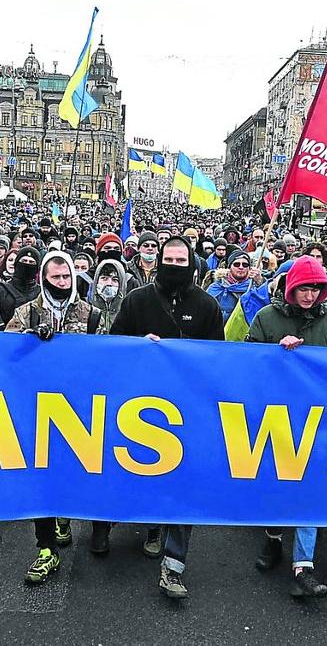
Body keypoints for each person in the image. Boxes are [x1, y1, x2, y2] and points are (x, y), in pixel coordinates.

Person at [108, 236, 223, 599]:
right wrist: (140, 347)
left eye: (181, 259)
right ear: (158, 261)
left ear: (192, 263)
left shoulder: (207, 305)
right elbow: (112, 346)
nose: (175, 264)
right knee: (136, 474)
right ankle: (145, 523)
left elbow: (218, 357)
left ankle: (173, 567)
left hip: (187, 410)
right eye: (169, 258)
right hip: (138, 410)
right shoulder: (136, 300)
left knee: (185, 484)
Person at [245, 256, 327, 599]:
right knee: (277, 483)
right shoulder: (266, 318)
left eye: (317, 288)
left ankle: (302, 565)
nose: (310, 295)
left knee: (310, 487)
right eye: (304, 288)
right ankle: (273, 539)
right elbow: (245, 364)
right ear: (291, 288)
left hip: (321, 418)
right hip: (277, 416)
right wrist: (277, 354)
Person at [5, 250, 100, 585]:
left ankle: (65, 515)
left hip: (79, 411)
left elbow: (106, 359)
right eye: (55, 277)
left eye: (66, 277)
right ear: (44, 278)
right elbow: (3, 353)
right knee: (40, 476)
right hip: (35, 409)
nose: (61, 282)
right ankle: (45, 548)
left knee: (72, 471)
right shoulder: (25, 312)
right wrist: (28, 341)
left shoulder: (92, 315)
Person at [0, 246, 41, 324]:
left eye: (31, 262)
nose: (27, 265)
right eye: (24, 261)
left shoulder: (42, 293)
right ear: (16, 264)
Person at [206, 248, 254, 322]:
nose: (241, 267)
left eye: (245, 265)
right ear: (229, 267)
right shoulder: (216, 288)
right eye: (236, 264)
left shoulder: (254, 288)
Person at [90, 258, 129, 333]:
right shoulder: (86, 310)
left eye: (115, 280)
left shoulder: (129, 312)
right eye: (104, 278)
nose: (109, 283)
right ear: (96, 281)